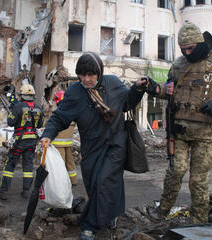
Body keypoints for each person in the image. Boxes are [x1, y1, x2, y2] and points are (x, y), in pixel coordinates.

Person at [146, 22, 212, 224]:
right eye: (182, 49)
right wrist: (153, 88)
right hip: (179, 131)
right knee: (174, 172)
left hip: (205, 133)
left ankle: (198, 219)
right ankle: (163, 209)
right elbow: (170, 92)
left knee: (198, 179)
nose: (186, 52)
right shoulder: (178, 64)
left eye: (190, 48)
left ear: (200, 43)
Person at [40, 52, 148, 239]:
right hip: (91, 148)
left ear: (99, 72)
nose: (86, 79)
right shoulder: (75, 92)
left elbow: (128, 102)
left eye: (91, 75)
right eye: (82, 75)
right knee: (94, 184)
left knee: (104, 181)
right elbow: (59, 117)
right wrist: (47, 135)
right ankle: (112, 214)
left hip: (115, 143)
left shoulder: (113, 83)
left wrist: (137, 89)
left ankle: (90, 225)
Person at [0, 84, 43, 200]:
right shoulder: (38, 108)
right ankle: (26, 191)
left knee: (10, 164)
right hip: (32, 141)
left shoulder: (18, 106)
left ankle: (3, 192)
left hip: (19, 141)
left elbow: (10, 122)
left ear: (22, 95)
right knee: (28, 165)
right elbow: (40, 125)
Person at [52, 90, 77, 186]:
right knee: (70, 162)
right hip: (68, 143)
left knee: (60, 165)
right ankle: (73, 180)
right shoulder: (72, 115)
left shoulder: (58, 114)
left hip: (58, 145)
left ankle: (61, 184)